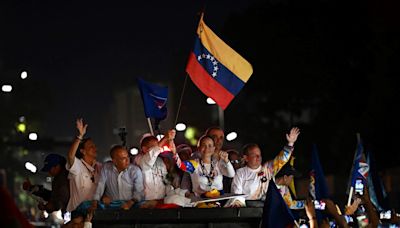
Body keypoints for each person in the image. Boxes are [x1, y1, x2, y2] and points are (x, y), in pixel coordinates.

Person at [231, 127, 300, 204]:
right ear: (246, 158)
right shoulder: (240, 173)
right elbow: (236, 195)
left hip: (265, 207)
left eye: (259, 155)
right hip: (247, 209)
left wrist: (290, 144)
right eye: (254, 155)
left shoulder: (268, 168)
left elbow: (282, 159)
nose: (258, 157)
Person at [66, 118, 102, 217]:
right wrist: (80, 136)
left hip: (94, 213)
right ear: (82, 151)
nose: (95, 149)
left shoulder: (100, 167)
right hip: (78, 214)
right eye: (91, 147)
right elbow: (70, 156)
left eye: (95, 146)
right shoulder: (77, 165)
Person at [90, 145, 144, 211]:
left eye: (128, 157)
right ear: (114, 161)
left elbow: (139, 191)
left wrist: (130, 203)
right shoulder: (106, 168)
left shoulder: (135, 170)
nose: (127, 160)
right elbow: (100, 186)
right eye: (123, 158)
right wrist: (95, 202)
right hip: (111, 208)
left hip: (131, 207)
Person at [134, 129, 176, 201]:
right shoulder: (139, 159)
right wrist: (165, 138)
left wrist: (172, 195)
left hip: (160, 201)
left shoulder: (160, 161)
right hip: (145, 202)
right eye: (154, 146)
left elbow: (166, 181)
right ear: (144, 149)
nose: (158, 149)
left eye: (158, 146)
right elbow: (150, 158)